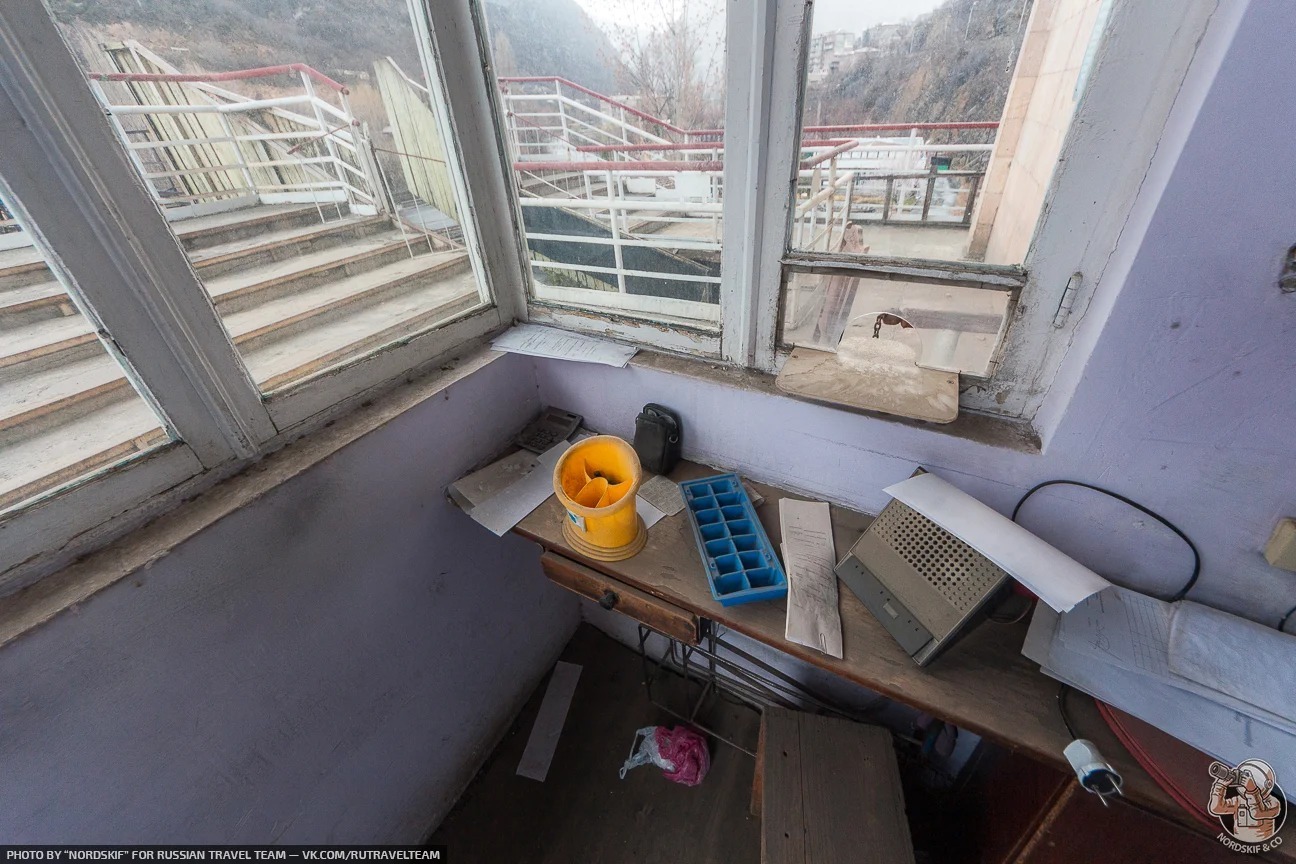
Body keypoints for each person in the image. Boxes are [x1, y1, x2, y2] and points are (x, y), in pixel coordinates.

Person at [1209, 760, 1283, 843]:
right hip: (1238, 846)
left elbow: (1257, 813)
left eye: (1248, 776)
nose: (1243, 781)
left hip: (1262, 848)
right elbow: (1216, 808)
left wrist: (1252, 790)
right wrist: (1220, 786)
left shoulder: (1273, 803)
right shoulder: (1239, 800)